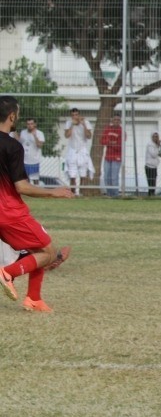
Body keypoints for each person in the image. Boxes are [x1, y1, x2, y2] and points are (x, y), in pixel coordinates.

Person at [0, 95, 75, 312]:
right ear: (12, 116)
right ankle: (8, 273)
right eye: (19, 114)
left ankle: (33, 298)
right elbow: (22, 187)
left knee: (36, 249)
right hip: (9, 213)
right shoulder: (12, 146)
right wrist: (54, 193)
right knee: (49, 253)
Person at [63, 108, 94, 196]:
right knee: (72, 175)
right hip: (72, 150)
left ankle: (82, 193)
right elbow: (67, 135)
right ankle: (73, 193)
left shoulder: (86, 122)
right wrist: (72, 125)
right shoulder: (69, 123)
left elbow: (88, 136)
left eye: (76, 115)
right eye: (73, 115)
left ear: (79, 115)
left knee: (83, 174)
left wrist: (83, 125)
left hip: (82, 150)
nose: (75, 117)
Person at [99, 114, 123, 197]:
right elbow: (102, 141)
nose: (116, 121)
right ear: (112, 120)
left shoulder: (121, 131)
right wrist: (112, 142)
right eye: (114, 120)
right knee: (106, 176)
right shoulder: (108, 129)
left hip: (116, 157)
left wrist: (109, 142)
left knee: (114, 177)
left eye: (118, 120)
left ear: (120, 121)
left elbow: (120, 146)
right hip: (108, 157)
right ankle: (109, 194)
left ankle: (115, 194)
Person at [18, 118, 45, 186]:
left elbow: (39, 145)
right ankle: (27, 195)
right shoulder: (23, 132)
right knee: (26, 179)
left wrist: (35, 136)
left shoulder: (40, 133)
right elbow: (19, 143)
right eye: (28, 124)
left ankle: (36, 194)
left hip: (34, 161)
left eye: (31, 124)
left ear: (35, 124)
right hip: (24, 160)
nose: (30, 125)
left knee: (35, 179)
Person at [144, 132, 161, 197]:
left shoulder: (155, 145)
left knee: (153, 183)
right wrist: (157, 146)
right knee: (151, 183)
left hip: (154, 166)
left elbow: (157, 154)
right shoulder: (150, 144)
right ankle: (150, 195)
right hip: (149, 166)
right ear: (152, 137)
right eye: (154, 136)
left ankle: (152, 195)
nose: (156, 138)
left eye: (157, 136)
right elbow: (153, 154)